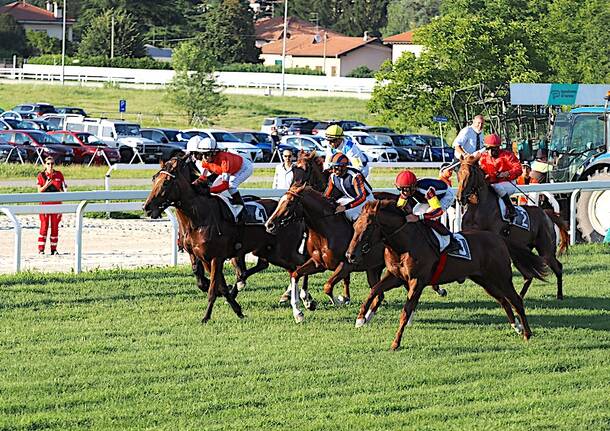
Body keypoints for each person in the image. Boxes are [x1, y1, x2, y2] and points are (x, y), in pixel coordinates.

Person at [394, 169, 460, 253]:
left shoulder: (427, 190)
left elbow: (438, 211)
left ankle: (451, 240)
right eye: (400, 189)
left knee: (427, 218)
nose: (403, 192)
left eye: (405, 189)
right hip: (428, 199)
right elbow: (400, 205)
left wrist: (419, 217)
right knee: (416, 212)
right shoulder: (408, 188)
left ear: (413, 187)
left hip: (445, 196)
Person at [186, 135, 253, 215]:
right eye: (203, 154)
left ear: (214, 153)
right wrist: (193, 185)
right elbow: (203, 177)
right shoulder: (205, 160)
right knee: (214, 186)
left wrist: (207, 190)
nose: (205, 158)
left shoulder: (224, 161)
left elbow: (225, 185)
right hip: (230, 169)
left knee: (231, 185)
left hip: (244, 167)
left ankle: (242, 208)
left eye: (207, 154)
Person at [478, 133, 522, 221]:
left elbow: (519, 169)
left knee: (496, 186)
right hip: (492, 184)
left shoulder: (507, 156)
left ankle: (511, 209)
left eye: (492, 149)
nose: (489, 152)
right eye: (488, 149)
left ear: (498, 148)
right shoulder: (483, 158)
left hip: (509, 184)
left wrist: (507, 173)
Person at [324, 152, 373, 222]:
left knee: (349, 213)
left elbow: (362, 196)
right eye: (332, 167)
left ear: (344, 167)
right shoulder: (332, 177)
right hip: (350, 198)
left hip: (367, 199)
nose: (334, 171)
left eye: (336, 168)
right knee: (334, 207)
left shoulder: (355, 176)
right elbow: (326, 195)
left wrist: (345, 207)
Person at [36, 156, 67, 255]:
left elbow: (63, 188)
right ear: (45, 164)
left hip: (56, 204)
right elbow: (39, 191)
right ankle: (41, 249)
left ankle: (54, 249)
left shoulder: (59, 174)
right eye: (48, 163)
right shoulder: (41, 175)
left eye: (52, 163)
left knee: (55, 227)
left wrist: (65, 188)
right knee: (44, 226)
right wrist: (46, 185)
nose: (50, 165)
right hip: (44, 204)